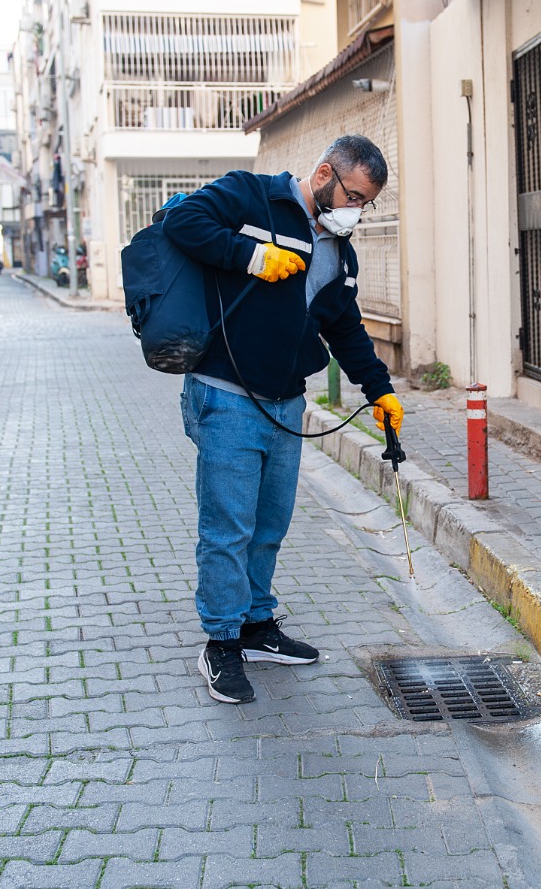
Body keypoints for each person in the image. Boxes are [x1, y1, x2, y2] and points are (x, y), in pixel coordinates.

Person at [164, 135, 403, 704]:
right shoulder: (251, 197)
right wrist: (250, 256)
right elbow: (182, 222)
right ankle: (221, 641)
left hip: (285, 402)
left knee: (269, 524)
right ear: (324, 175)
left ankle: (255, 625)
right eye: (353, 196)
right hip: (225, 395)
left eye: (365, 203)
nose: (356, 210)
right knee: (229, 527)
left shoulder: (340, 254)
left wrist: (380, 390)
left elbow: (344, 327)